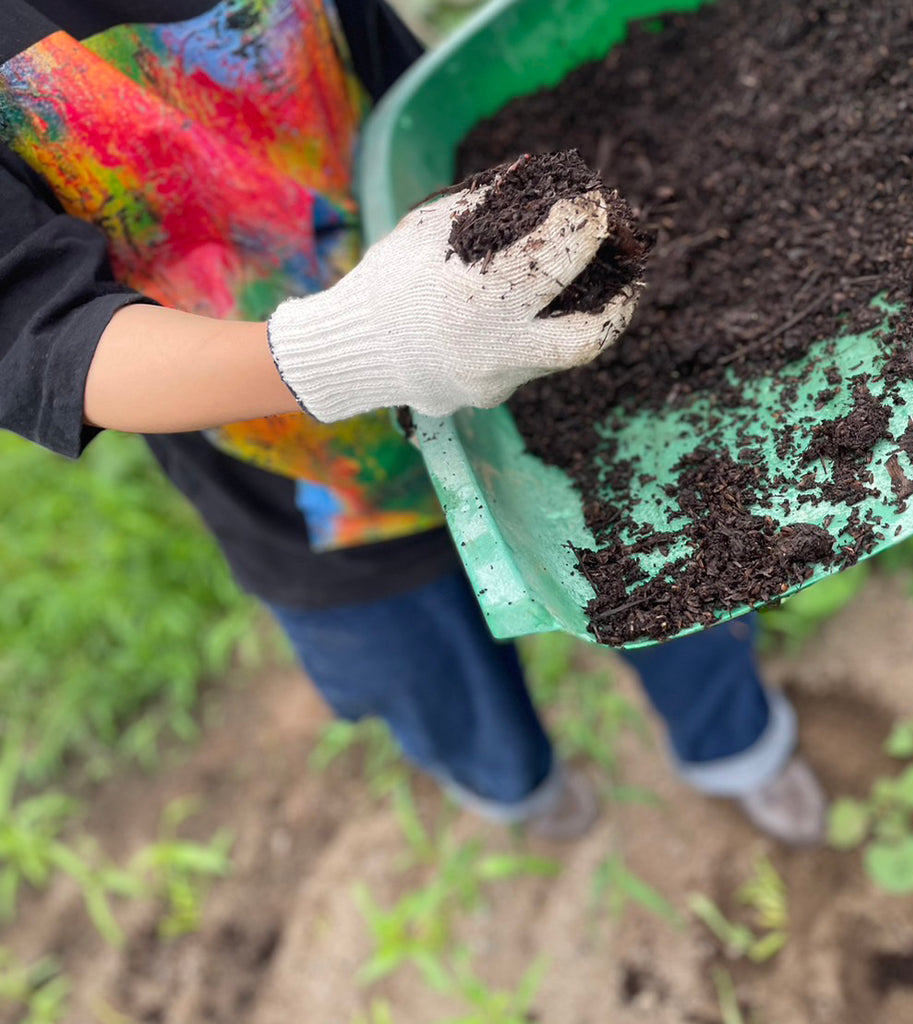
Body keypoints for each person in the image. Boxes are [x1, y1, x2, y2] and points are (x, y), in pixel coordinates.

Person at [0, 0, 826, 845]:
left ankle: (739, 752)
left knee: (680, 570)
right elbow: (35, 337)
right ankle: (529, 797)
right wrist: (344, 348)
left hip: (513, 328)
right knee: (433, 681)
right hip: (305, 480)